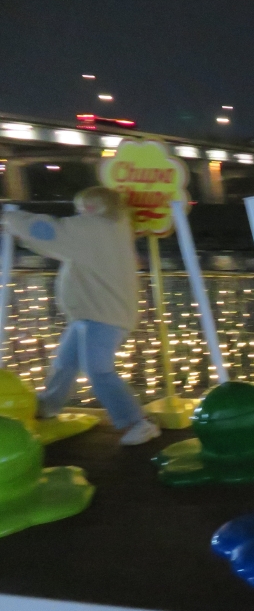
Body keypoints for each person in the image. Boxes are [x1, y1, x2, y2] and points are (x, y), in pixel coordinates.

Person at [2, 187, 160, 445]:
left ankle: (137, 421)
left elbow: (50, 232)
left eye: (81, 207)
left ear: (92, 207)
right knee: (65, 362)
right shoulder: (115, 228)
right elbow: (57, 243)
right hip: (95, 313)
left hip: (100, 315)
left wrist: (11, 218)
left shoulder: (93, 228)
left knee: (98, 369)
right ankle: (49, 405)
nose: (77, 212)